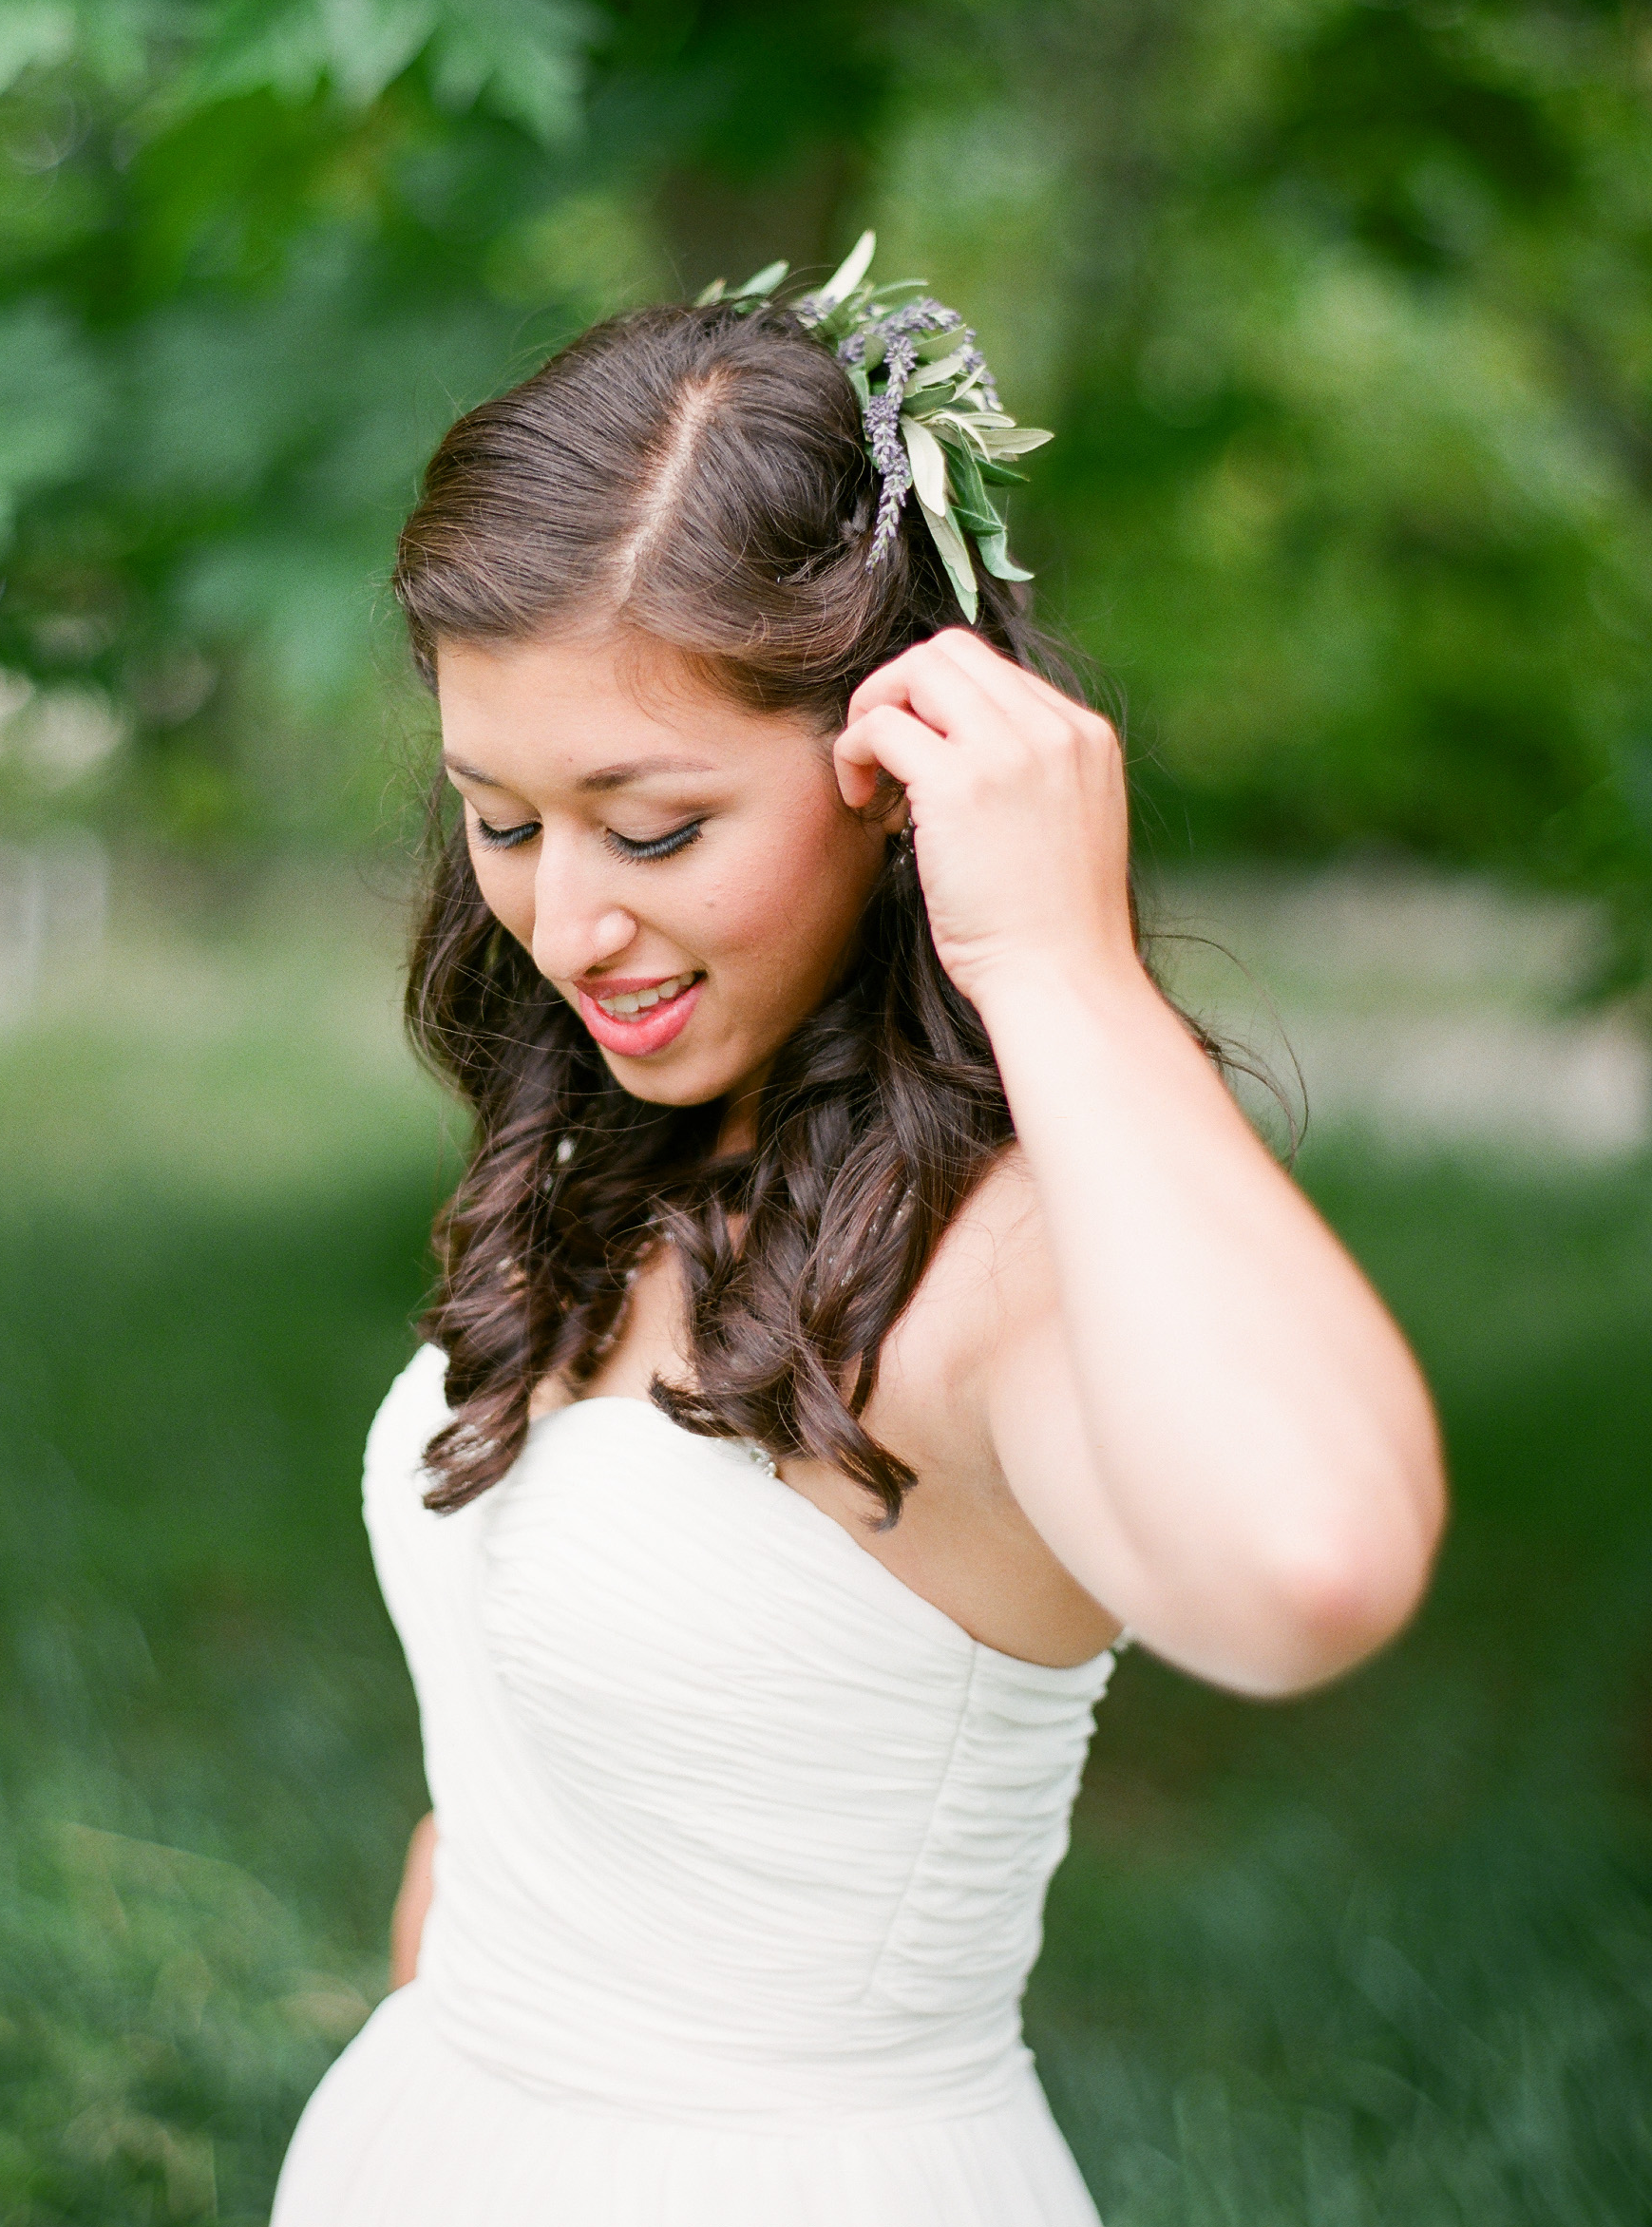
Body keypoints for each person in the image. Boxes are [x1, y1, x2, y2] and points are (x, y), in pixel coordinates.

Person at [270, 239, 1446, 2226]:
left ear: (895, 771)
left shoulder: (999, 1266)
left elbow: (1307, 1567)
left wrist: (1059, 966)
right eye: (500, 816)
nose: (565, 927)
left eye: (653, 831)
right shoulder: (630, 1150)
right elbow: (516, 1779)